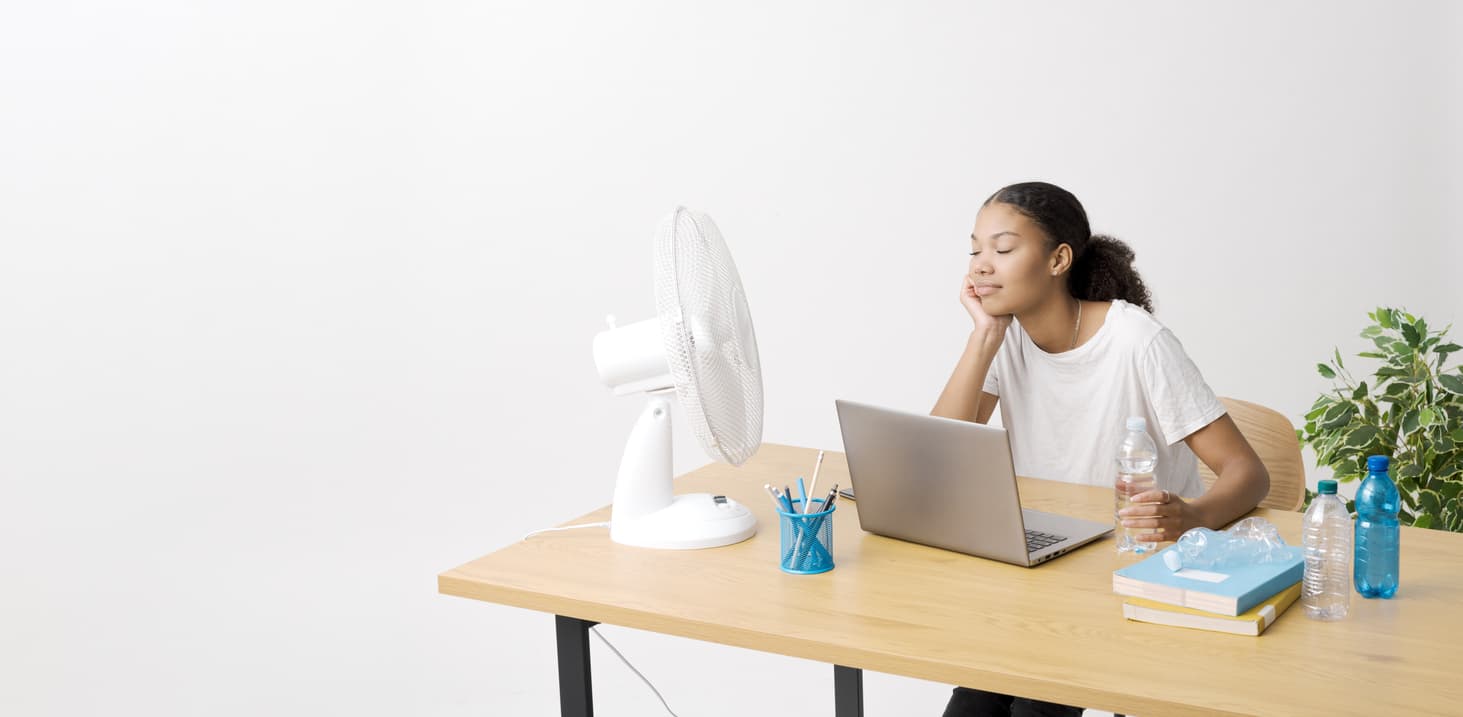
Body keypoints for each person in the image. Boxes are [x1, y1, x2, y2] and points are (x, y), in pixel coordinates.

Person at [931, 181, 1270, 717]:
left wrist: (1193, 516)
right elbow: (940, 459)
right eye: (974, 251)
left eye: (1003, 248)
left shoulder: (1136, 340)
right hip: (1042, 569)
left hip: (1135, 570)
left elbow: (1247, 472)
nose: (981, 266)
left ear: (1058, 260)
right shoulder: (1005, 336)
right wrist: (983, 337)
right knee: (971, 702)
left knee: (1037, 707)